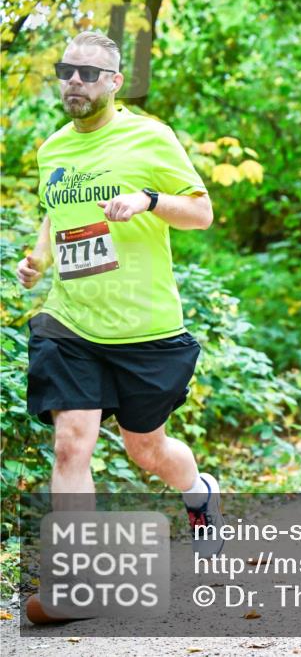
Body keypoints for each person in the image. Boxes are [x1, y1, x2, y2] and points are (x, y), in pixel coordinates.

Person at [15, 32, 225, 562]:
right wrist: (38, 259)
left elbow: (201, 213)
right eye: (67, 71)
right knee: (71, 442)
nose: (75, 81)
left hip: (144, 327)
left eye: (88, 73)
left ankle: (199, 493)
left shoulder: (150, 139)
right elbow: (54, 212)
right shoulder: (53, 147)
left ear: (113, 81)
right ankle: (74, 572)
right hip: (70, 320)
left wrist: (149, 200)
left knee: (146, 449)